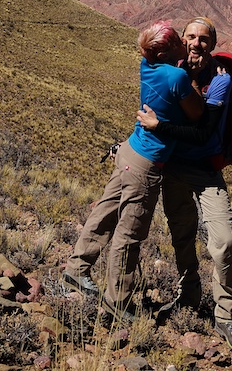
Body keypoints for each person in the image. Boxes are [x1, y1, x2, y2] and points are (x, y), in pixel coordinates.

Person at [62, 21, 203, 320]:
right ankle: (118, 301)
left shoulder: (146, 64)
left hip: (129, 151)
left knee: (105, 213)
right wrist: (192, 77)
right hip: (146, 164)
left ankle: (76, 269)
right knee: (130, 233)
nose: (184, 42)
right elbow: (197, 113)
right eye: (178, 41)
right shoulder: (177, 76)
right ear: (165, 53)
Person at [136, 16, 232, 351]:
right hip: (173, 166)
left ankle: (227, 317)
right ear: (181, 41)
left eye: (204, 38)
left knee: (224, 241)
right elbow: (151, 109)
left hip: (205, 169)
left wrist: (159, 127)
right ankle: (188, 295)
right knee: (181, 235)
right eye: (190, 36)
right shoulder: (173, 70)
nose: (196, 43)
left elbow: (201, 133)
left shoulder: (221, 80)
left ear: (212, 45)